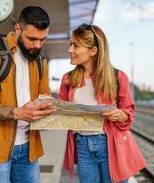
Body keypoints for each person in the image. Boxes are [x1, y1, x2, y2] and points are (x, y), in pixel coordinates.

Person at [0, 6, 56, 183]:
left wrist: (53, 109)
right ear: (17, 29)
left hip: (28, 149)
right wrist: (17, 112)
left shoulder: (40, 61)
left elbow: (44, 97)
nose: (37, 45)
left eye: (42, 40)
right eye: (32, 39)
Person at [58, 24, 146, 183]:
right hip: (82, 144)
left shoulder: (118, 77)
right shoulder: (68, 79)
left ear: (93, 51)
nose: (70, 50)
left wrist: (121, 115)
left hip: (110, 144)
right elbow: (61, 113)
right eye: (70, 44)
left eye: (75, 45)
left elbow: (129, 116)